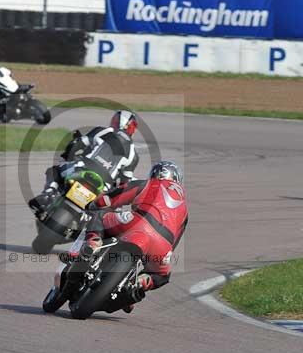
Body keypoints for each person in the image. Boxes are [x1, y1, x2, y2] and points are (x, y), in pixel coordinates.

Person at [83, 161, 188, 313]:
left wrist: (94, 204)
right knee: (162, 275)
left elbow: (112, 197)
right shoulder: (184, 205)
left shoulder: (147, 183)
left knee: (100, 216)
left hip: (138, 223)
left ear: (155, 174)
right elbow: (175, 241)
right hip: (163, 244)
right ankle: (141, 282)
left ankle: (93, 244)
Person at [28, 110, 140, 213]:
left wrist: (67, 156)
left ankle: (48, 193)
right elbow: (125, 182)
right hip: (104, 185)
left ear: (116, 122)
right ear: (131, 128)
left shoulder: (103, 131)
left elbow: (77, 143)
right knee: (108, 210)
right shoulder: (133, 155)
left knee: (54, 170)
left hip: (82, 168)